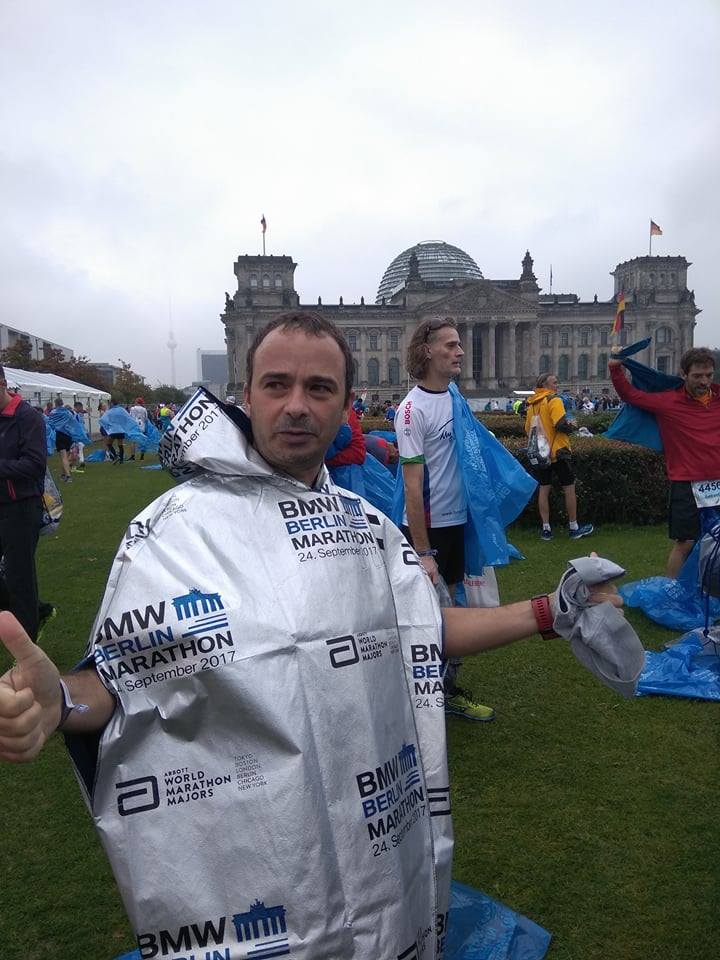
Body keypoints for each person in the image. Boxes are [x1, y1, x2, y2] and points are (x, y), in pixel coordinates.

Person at [0, 314, 622, 959]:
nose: (297, 405)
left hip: (368, 822)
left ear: (346, 404)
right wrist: (60, 701)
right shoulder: (174, 529)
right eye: (277, 384)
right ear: (247, 396)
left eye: (319, 388)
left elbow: (421, 629)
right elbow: (120, 680)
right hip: (252, 841)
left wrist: (548, 610)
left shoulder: (365, 526)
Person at [397, 317, 495, 722]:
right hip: (429, 529)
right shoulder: (411, 410)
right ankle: (421, 696)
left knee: (451, 606)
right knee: (426, 615)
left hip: (456, 522)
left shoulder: (454, 396)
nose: (460, 351)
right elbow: (412, 486)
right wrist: (423, 552)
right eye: (451, 345)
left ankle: (446, 690)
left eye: (459, 344)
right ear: (427, 351)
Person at [609, 346, 720, 577]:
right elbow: (630, 395)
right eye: (697, 376)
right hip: (687, 483)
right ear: (683, 374)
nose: (704, 381)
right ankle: (672, 592)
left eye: (709, 375)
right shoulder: (668, 402)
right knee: (685, 543)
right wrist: (615, 369)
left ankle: (710, 588)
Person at [0, 366, 47, 642]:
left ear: (2, 383)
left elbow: (35, 465)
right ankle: (36, 611)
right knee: (13, 578)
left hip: (20, 506)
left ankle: (27, 647)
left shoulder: (27, 417)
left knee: (20, 578)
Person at [525, 373, 594, 542]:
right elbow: (561, 425)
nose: (557, 385)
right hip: (558, 451)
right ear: (545, 385)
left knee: (544, 489)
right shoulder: (554, 400)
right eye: (554, 382)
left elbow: (528, 429)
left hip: (541, 454)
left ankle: (546, 529)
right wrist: (573, 425)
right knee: (569, 488)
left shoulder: (532, 404)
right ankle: (573, 527)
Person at [47, 396, 73, 482]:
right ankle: (63, 474)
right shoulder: (68, 412)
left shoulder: (53, 413)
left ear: (55, 404)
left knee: (63, 457)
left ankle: (68, 476)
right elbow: (72, 422)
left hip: (59, 435)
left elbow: (50, 423)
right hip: (68, 435)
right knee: (66, 456)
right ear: (62, 403)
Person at [128, 397, 148, 461]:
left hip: (134, 426)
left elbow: (130, 416)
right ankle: (142, 457)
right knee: (142, 441)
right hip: (142, 425)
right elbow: (146, 418)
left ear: (136, 402)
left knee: (133, 441)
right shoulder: (144, 409)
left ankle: (132, 456)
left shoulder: (132, 408)